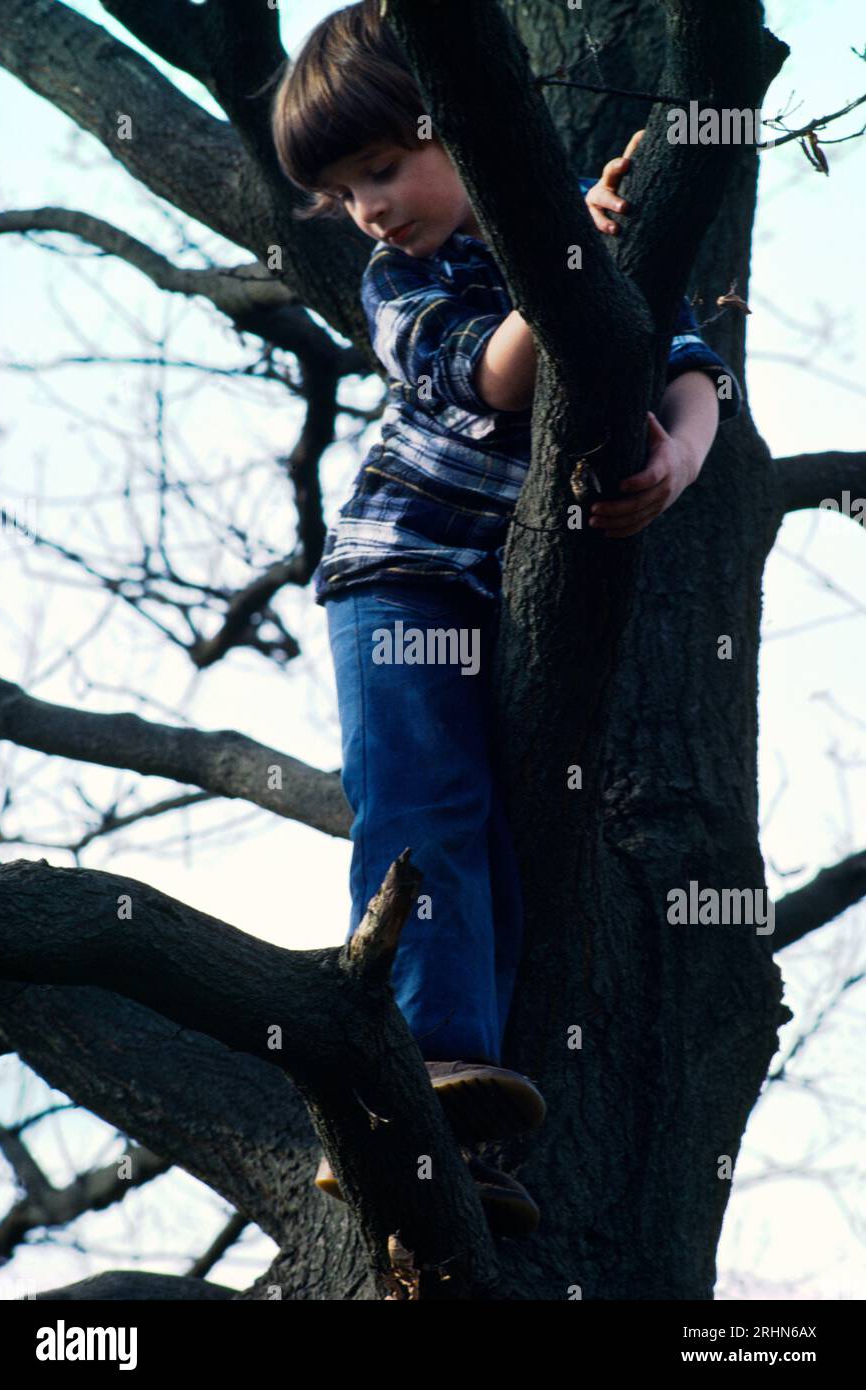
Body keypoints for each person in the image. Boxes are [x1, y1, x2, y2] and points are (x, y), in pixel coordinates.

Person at [271, 1, 741, 1237]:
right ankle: (413, 1060)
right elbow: (493, 371)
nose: (369, 206)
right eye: (341, 191)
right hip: (403, 581)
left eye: (382, 167)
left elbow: (691, 372)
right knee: (423, 806)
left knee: (510, 852)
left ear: (461, 130)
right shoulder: (401, 280)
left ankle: (467, 1126)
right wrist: (561, 267)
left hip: (499, 608)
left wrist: (676, 467)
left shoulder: (591, 237)